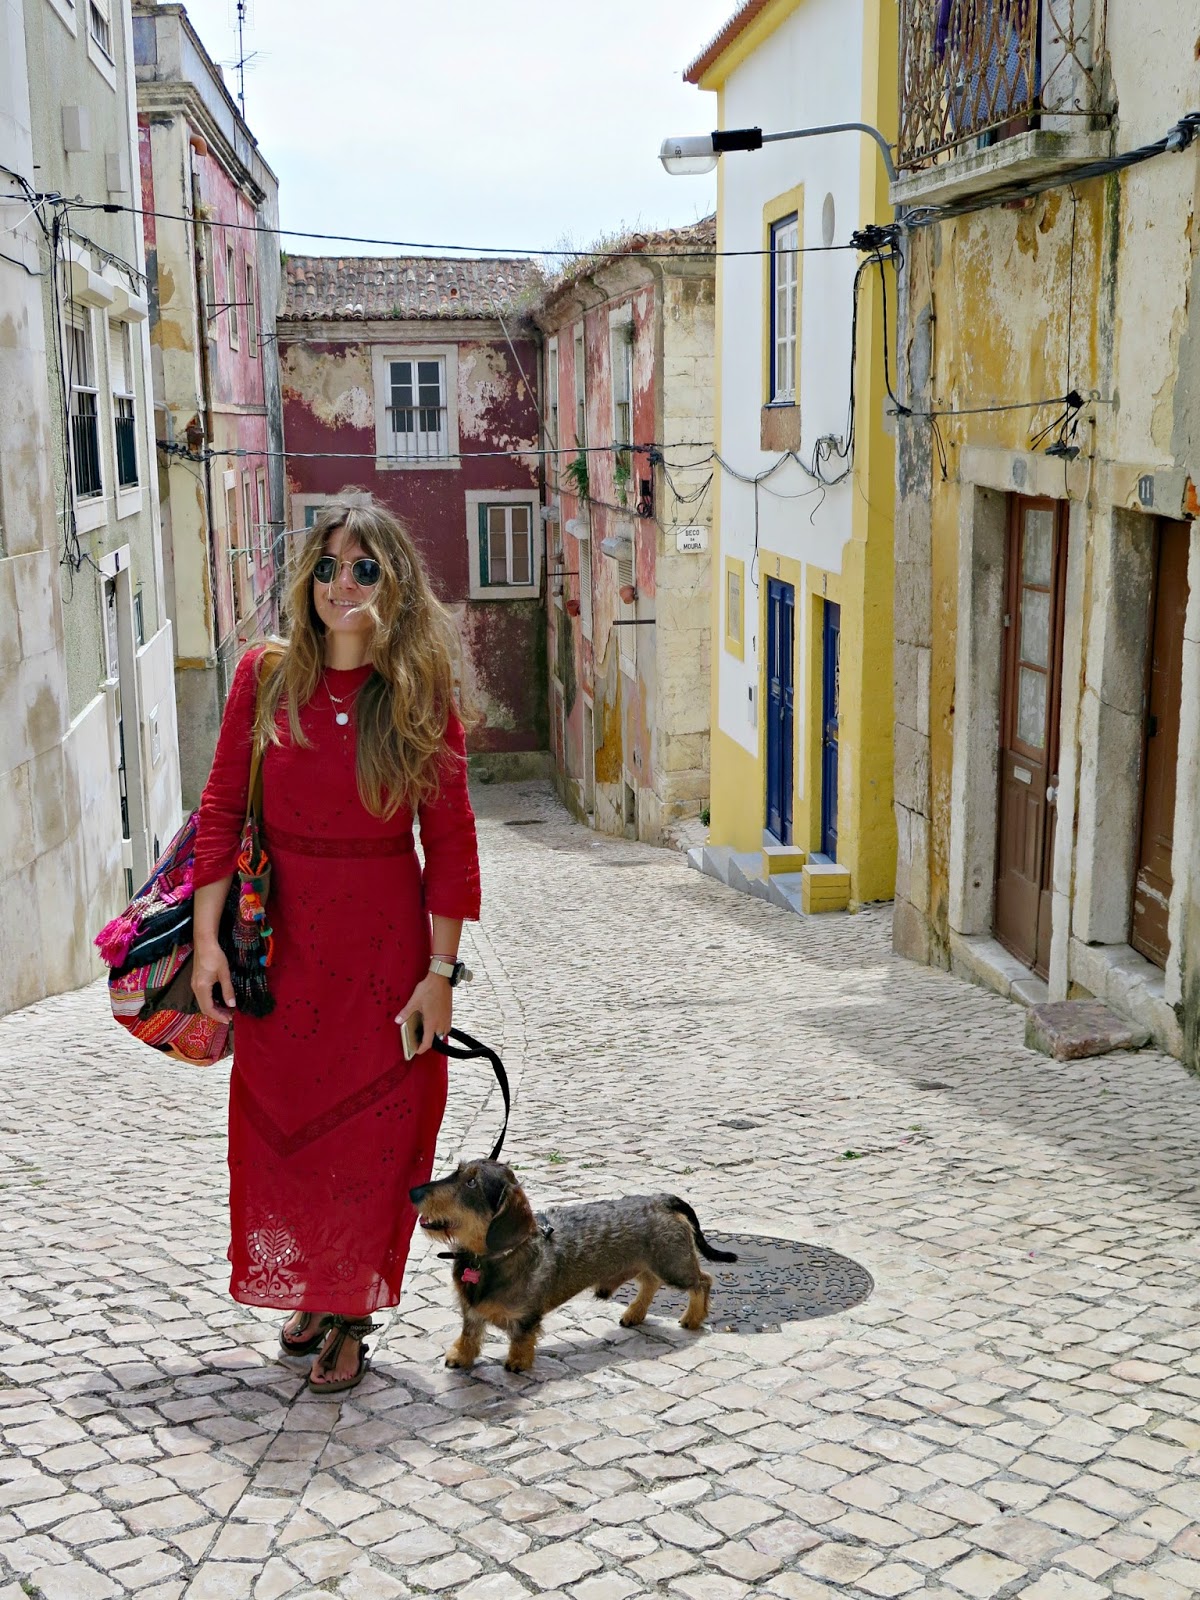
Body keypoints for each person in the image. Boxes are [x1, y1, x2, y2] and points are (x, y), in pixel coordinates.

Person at [191, 498, 480, 1393]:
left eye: (363, 568)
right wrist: (207, 945)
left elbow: (451, 842)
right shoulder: (265, 677)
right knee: (283, 1133)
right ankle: (317, 1290)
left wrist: (440, 976)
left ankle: (349, 1311)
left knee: (372, 1140)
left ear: (395, 584)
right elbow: (220, 812)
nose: (341, 584)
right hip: (279, 958)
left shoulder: (419, 695)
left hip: (385, 965)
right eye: (327, 567)